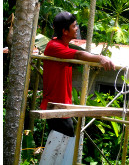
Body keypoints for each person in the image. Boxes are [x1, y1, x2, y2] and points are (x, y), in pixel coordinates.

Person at [39, 12, 115, 164]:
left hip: (63, 107)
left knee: (62, 150)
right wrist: (101, 58)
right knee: (59, 150)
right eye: (74, 26)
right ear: (64, 31)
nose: (77, 28)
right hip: (56, 107)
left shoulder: (63, 47)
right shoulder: (54, 46)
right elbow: (80, 55)